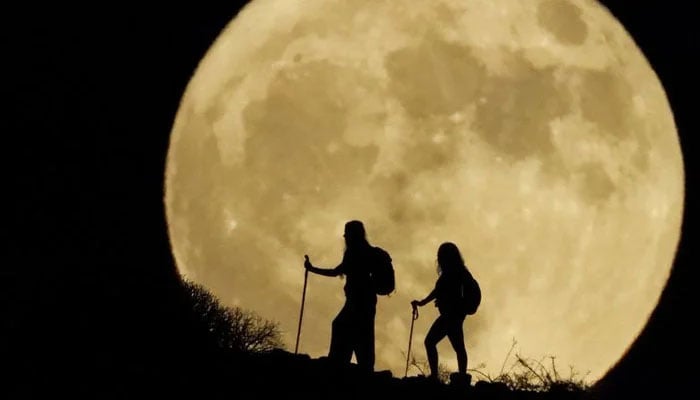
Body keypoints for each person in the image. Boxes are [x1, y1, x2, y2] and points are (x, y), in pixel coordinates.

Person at [303, 220, 390, 373]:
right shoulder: (364, 252)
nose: (345, 237)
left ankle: (341, 365)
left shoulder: (355, 253)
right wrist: (313, 269)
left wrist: (312, 269)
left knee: (345, 328)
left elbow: (336, 271)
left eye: (347, 233)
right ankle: (359, 367)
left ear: (352, 235)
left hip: (359, 302)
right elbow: (338, 271)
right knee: (361, 335)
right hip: (365, 302)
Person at [411, 242, 475, 382]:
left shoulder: (456, 273)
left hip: (450, 316)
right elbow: (438, 292)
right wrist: (422, 302)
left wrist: (423, 302)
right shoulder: (457, 272)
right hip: (453, 315)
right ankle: (461, 377)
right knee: (458, 346)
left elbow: (440, 292)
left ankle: (436, 376)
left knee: (431, 342)